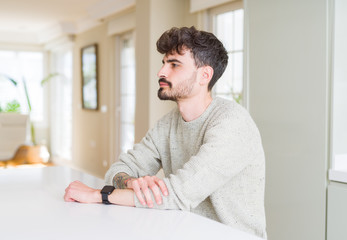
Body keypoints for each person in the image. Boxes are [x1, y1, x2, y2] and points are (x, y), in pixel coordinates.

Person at [64, 26, 266, 238]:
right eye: (164, 63)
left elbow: (177, 194)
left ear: (204, 75)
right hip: (184, 231)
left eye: (174, 65)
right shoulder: (169, 123)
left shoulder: (232, 123)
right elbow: (120, 169)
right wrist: (132, 182)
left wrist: (99, 195)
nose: (161, 72)